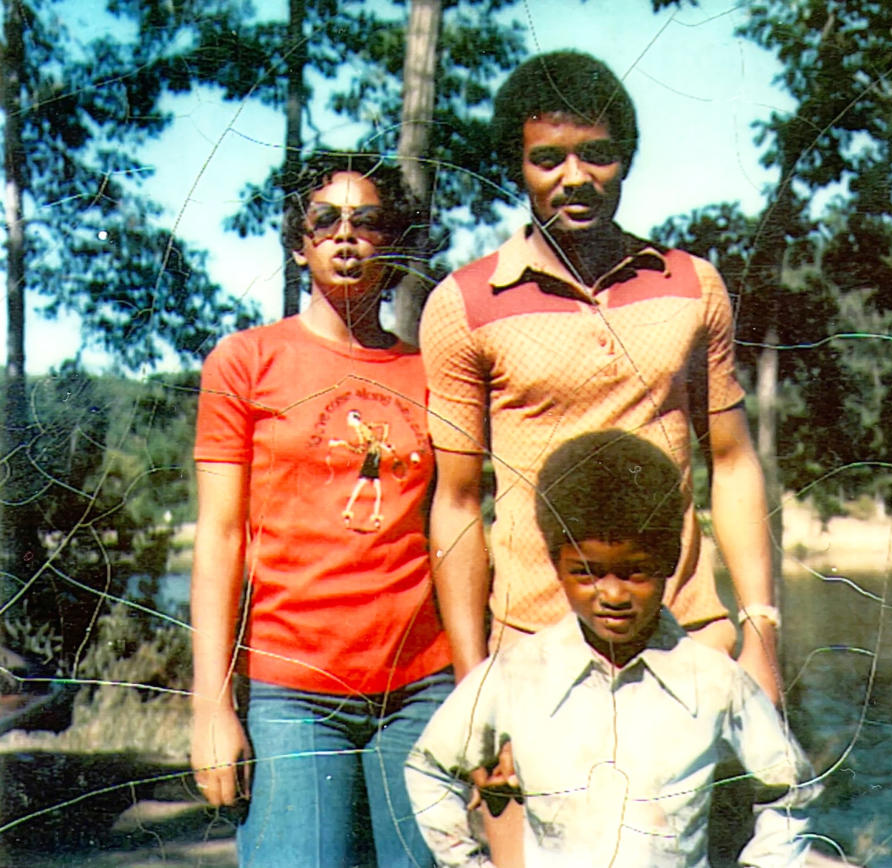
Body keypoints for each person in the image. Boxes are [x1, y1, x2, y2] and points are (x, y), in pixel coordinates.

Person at [420, 50, 781, 702]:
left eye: (598, 154)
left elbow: (732, 463)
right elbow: (457, 503)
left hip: (688, 640)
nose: (575, 177)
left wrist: (760, 632)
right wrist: (473, 681)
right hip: (532, 650)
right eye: (547, 158)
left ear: (628, 159)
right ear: (516, 165)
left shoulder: (692, 284)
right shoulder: (463, 304)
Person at [190, 153, 453, 867]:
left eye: (366, 222)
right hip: (293, 694)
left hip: (422, 690)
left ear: (392, 242)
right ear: (299, 242)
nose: (345, 236)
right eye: (325, 220)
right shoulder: (245, 362)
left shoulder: (429, 372)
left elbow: (454, 526)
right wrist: (211, 706)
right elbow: (219, 539)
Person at [405, 431, 819, 867]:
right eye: (587, 574)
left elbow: (792, 786)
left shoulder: (715, 680)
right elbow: (430, 768)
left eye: (635, 572)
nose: (613, 594)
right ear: (556, 566)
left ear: (669, 561)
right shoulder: (516, 674)